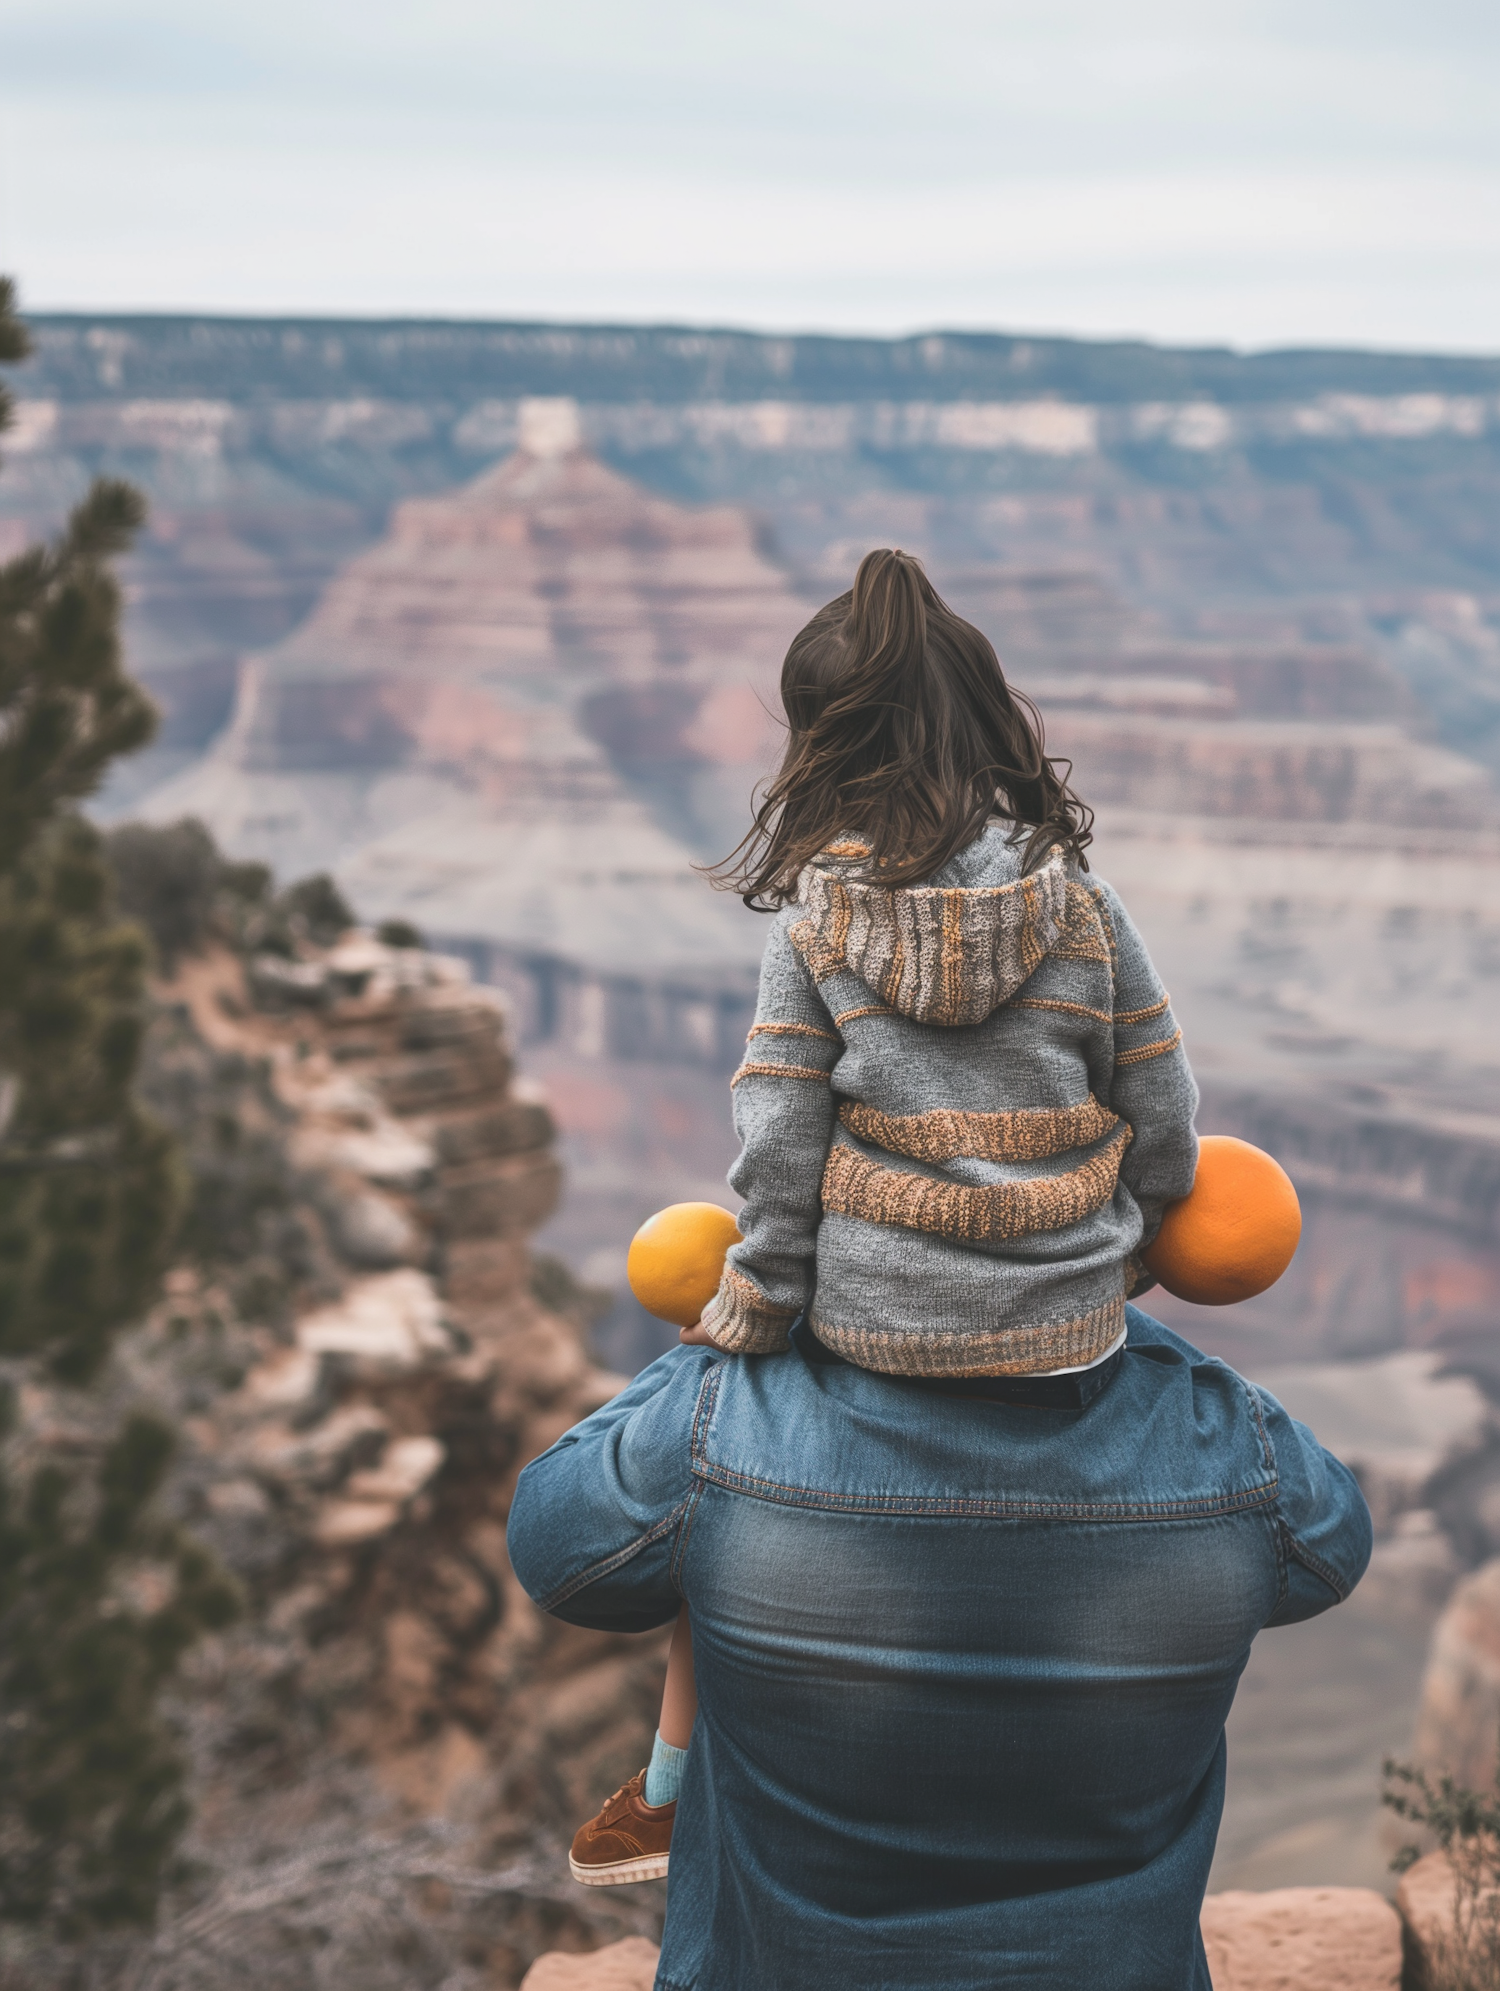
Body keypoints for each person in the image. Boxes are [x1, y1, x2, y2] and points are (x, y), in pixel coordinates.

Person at [506, 552, 1371, 1991]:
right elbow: (1165, 1122)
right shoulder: (1085, 916)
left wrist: (751, 1310)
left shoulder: (813, 937)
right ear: (993, 735)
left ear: (818, 760)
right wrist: (1132, 1250)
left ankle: (658, 1788)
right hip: (1077, 1334)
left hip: (851, 1341)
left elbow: (772, 1155)